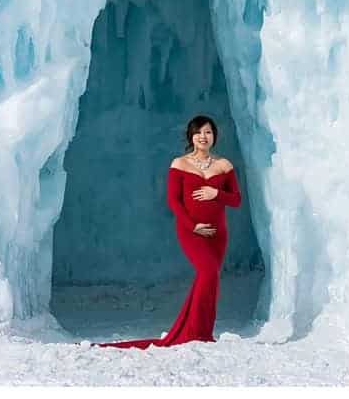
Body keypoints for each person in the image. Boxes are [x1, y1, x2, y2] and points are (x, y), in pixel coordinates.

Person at [92, 115, 242, 349]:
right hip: (191, 231)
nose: (203, 137)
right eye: (199, 132)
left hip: (217, 233)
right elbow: (174, 202)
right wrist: (193, 226)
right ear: (191, 136)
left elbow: (236, 200)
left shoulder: (224, 165)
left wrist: (217, 194)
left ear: (214, 136)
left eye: (208, 132)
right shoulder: (179, 164)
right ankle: (194, 332)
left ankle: (201, 329)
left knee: (210, 279)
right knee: (208, 272)